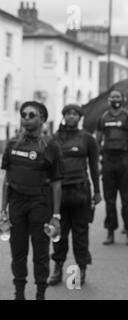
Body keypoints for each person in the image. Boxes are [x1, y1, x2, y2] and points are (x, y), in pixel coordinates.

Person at [1, 101, 63, 300]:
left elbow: (56, 184)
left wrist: (55, 215)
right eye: (24, 115)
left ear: (42, 119)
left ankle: (40, 293)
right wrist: (2, 209)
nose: (26, 118)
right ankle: (19, 293)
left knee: (40, 253)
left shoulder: (51, 146)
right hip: (17, 204)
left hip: (40, 204)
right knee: (18, 252)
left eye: (31, 115)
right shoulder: (12, 144)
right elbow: (6, 180)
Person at [47, 104, 102, 287]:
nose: (71, 117)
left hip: (80, 193)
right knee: (59, 234)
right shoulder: (53, 139)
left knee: (80, 234)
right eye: (68, 114)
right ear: (63, 116)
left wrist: (97, 192)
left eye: (75, 114)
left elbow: (94, 167)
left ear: (79, 117)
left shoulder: (87, 139)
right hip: (59, 194)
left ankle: (81, 271)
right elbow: (47, 169)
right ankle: (57, 269)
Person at [96, 90, 128, 246]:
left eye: (117, 97)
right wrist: (97, 162)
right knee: (109, 201)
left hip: (125, 161)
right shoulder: (103, 118)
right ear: (108, 100)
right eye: (112, 97)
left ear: (122, 99)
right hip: (108, 162)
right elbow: (97, 141)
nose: (115, 99)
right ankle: (110, 232)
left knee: (126, 200)